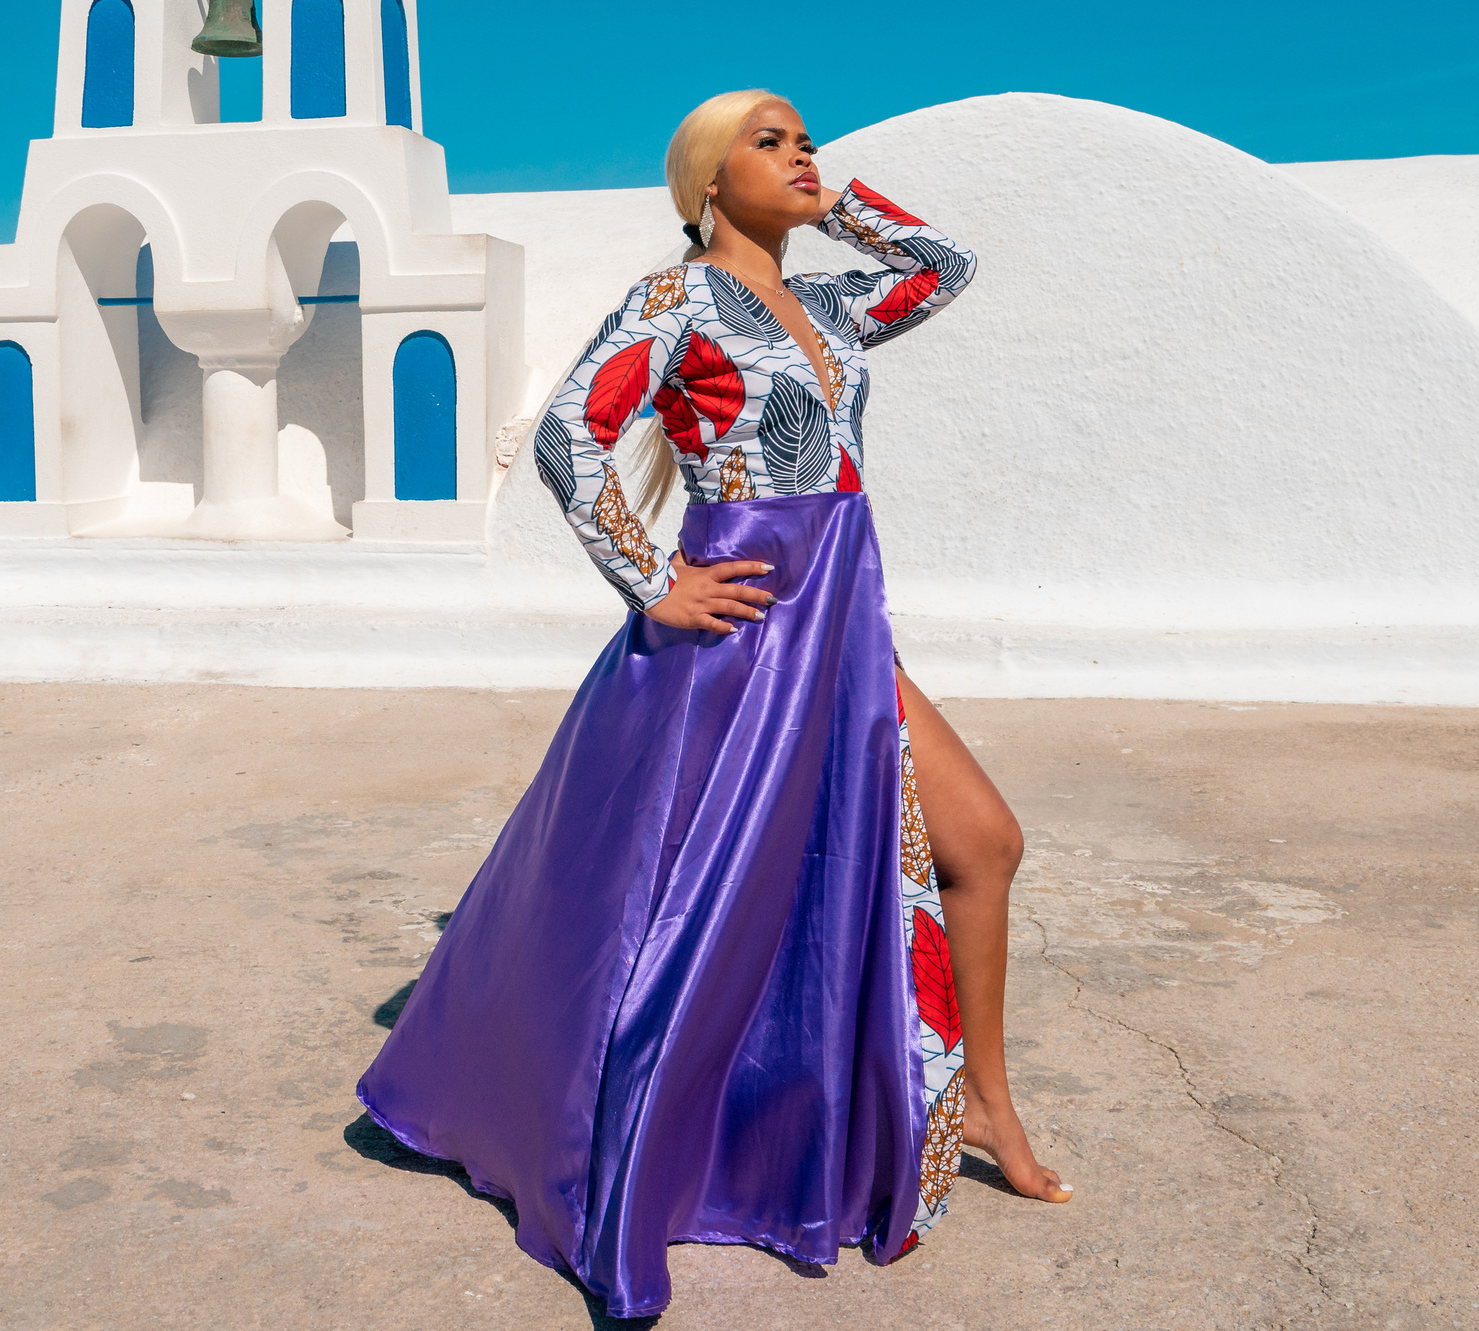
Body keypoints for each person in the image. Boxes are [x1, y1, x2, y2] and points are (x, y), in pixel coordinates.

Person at [359, 91, 1068, 1319]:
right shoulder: (674, 300)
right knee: (696, 911)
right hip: (743, 632)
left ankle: (983, 1106)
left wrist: (834, 203)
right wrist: (656, 582)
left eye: (807, 141)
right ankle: (638, 1146)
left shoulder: (831, 308)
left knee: (983, 845)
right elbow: (570, 437)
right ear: (704, 182)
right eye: (769, 142)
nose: (801, 155)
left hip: (842, 620)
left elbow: (944, 268)